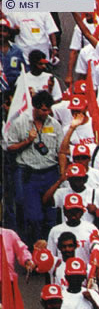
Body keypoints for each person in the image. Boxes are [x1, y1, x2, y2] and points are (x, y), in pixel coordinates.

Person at [5, 90, 64, 247]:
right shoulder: (21, 122)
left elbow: (61, 151)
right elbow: (9, 147)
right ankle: (34, 246)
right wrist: (27, 142)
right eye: (44, 109)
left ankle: (50, 248)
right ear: (36, 108)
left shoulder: (55, 125)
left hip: (51, 173)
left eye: (49, 109)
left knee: (51, 214)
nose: (47, 113)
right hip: (30, 175)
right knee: (34, 216)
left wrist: (62, 175)